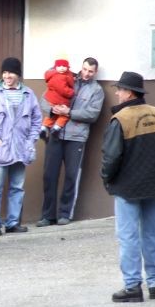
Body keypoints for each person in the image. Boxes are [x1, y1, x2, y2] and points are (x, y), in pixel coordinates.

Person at [101, 72, 155, 303]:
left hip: (127, 188)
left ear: (129, 93)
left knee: (128, 237)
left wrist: (107, 179)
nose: (117, 93)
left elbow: (111, 157)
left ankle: (132, 287)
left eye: (120, 89)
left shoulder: (121, 120)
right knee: (154, 236)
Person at [0, 57, 41, 237]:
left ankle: (13, 223)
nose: (7, 76)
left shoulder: (28, 94)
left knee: (17, 187)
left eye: (11, 72)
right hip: (1, 149)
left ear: (18, 75)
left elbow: (36, 119)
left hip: (21, 149)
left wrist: (31, 140)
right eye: (4, 72)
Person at [37, 57, 105, 227]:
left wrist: (69, 112)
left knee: (71, 176)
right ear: (80, 68)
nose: (87, 74)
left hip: (76, 137)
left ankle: (65, 213)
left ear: (95, 72)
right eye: (84, 69)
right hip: (55, 134)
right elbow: (44, 100)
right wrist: (53, 109)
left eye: (90, 71)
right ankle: (47, 215)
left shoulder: (97, 90)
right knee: (49, 175)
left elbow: (92, 114)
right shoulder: (66, 78)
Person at [39, 58, 75, 142]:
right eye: (60, 66)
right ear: (56, 67)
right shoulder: (61, 76)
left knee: (51, 115)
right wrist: (71, 92)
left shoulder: (52, 75)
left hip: (51, 99)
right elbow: (63, 89)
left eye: (64, 66)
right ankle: (57, 127)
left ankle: (44, 127)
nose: (62, 68)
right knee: (64, 115)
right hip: (60, 100)